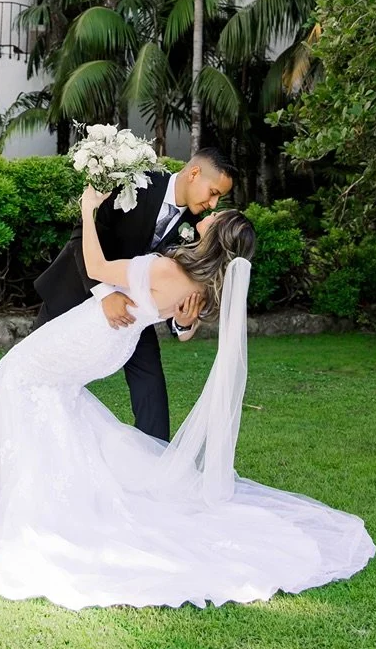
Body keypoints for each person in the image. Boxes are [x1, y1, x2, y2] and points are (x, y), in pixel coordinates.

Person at [0, 181, 376, 611]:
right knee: (47, 396)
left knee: (16, 379)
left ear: (218, 237)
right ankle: (18, 485)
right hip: (113, 341)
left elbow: (95, 266)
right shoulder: (203, 288)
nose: (207, 216)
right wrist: (183, 323)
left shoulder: (167, 271)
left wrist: (86, 209)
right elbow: (183, 329)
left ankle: (21, 494)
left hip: (92, 333)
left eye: (215, 218)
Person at [32, 147, 235, 441]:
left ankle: (155, 464)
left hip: (134, 315)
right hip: (77, 291)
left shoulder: (200, 231)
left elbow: (176, 291)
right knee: (36, 373)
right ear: (194, 174)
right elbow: (82, 236)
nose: (213, 203)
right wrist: (105, 294)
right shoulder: (137, 181)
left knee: (151, 387)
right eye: (213, 192)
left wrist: (183, 321)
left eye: (219, 199)